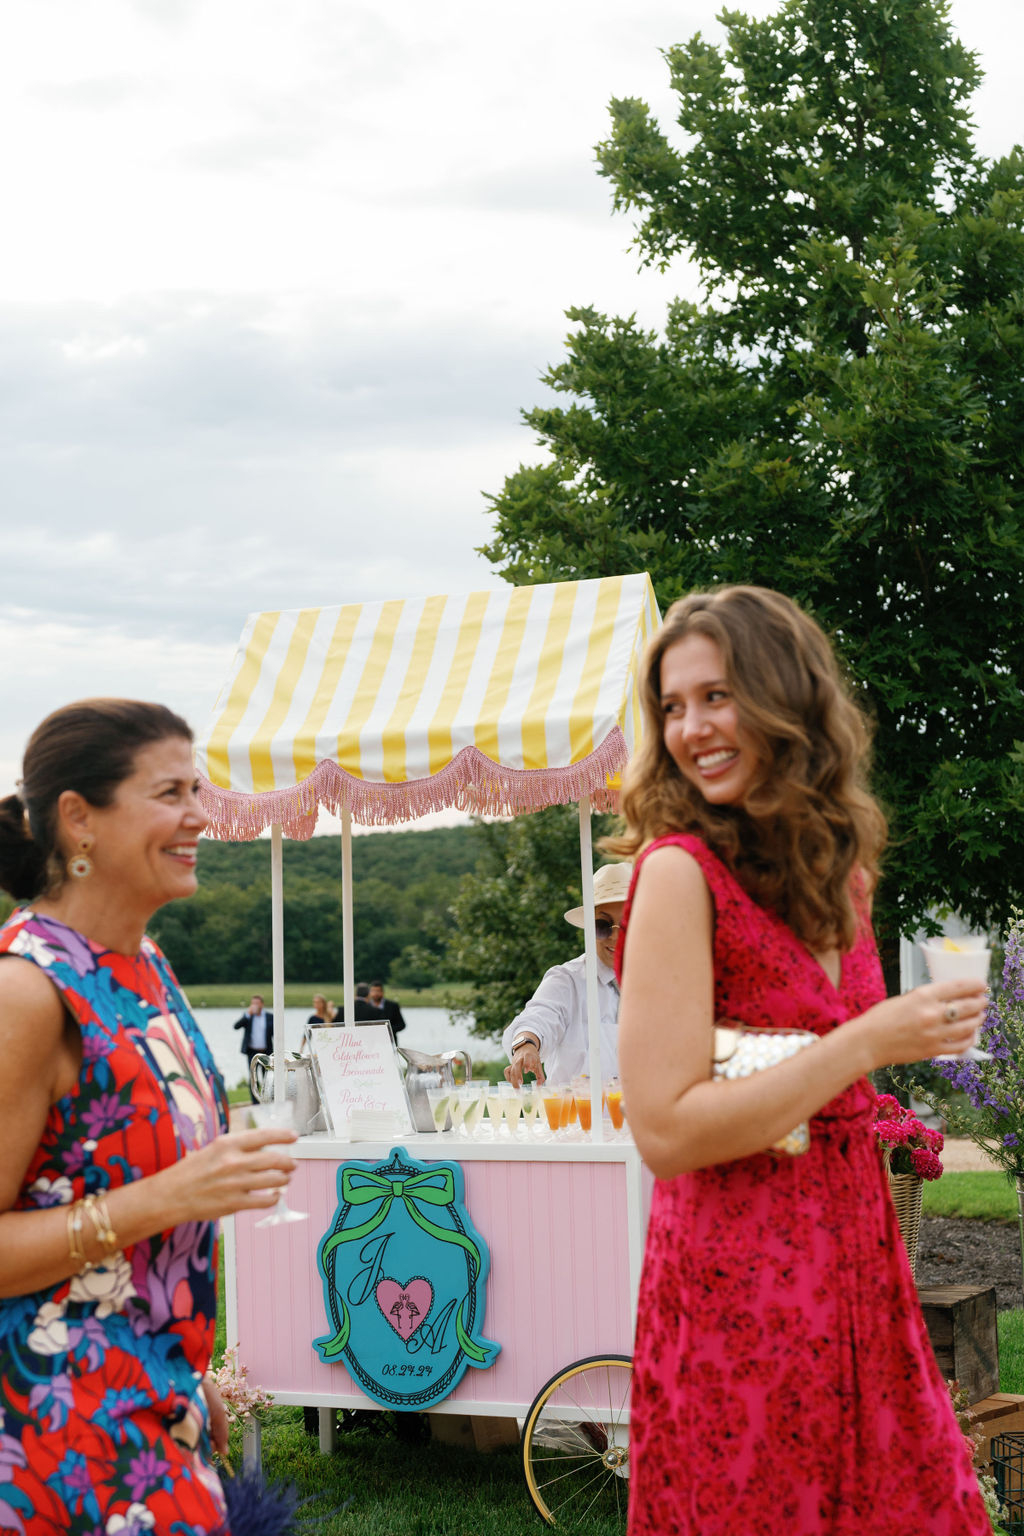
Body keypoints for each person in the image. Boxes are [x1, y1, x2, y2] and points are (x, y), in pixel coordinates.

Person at [612, 587, 990, 1535]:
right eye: (672, 707)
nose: (691, 728)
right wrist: (864, 1044)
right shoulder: (677, 874)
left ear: (787, 696)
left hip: (858, 1261)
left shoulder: (842, 874)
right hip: (737, 1276)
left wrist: (904, 1036)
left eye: (716, 696)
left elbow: (789, 1065)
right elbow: (664, 1130)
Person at [0, 699, 299, 1535]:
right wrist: (167, 1197)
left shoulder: (147, 967)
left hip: (158, 1408)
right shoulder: (27, 992)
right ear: (79, 819)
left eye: (197, 790)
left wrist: (186, 1367)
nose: (200, 815)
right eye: (171, 793)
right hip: (55, 1440)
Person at [502, 862, 633, 1087]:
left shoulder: (661, 984)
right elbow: (538, 1016)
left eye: (626, 925)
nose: (614, 937)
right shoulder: (566, 980)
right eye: (603, 925)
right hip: (573, 1111)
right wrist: (526, 1045)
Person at [233, 992, 274, 1082]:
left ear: (262, 1004)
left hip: (266, 1052)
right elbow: (236, 1026)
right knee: (253, 1077)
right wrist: (248, 1015)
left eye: (257, 1003)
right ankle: (253, 1092)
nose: (254, 1005)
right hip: (252, 1052)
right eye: (253, 1003)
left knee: (267, 1077)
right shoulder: (248, 1017)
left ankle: (266, 1091)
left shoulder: (269, 1017)